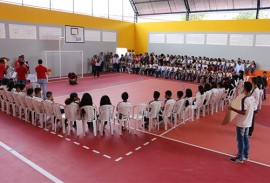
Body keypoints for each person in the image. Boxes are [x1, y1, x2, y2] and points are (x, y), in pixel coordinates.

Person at [228, 81, 255, 163]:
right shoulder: (252, 98)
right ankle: (245, 155)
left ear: (245, 89)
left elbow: (243, 112)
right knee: (246, 139)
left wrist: (232, 109)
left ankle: (240, 157)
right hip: (248, 122)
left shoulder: (244, 99)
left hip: (242, 122)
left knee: (240, 140)